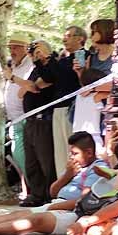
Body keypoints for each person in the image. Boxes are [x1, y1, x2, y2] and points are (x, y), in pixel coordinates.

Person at [0, 132, 109, 235]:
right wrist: (67, 175)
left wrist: (55, 206)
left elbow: (85, 200)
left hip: (75, 212)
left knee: (35, 220)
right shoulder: (75, 167)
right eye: (71, 153)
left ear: (89, 153)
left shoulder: (97, 169)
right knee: (17, 214)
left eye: (75, 154)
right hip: (57, 204)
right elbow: (52, 192)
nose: (71, 157)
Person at [5, 40, 57, 207]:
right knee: (31, 161)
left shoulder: (49, 70)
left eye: (39, 52)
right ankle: (37, 194)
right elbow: (25, 88)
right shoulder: (34, 70)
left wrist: (13, 78)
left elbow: (34, 87)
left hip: (42, 119)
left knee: (45, 161)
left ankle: (50, 195)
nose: (36, 56)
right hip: (29, 120)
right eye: (34, 53)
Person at [52, 27, 87, 176]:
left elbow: (76, 78)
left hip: (71, 108)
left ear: (80, 39)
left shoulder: (82, 55)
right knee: (60, 151)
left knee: (71, 149)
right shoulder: (63, 60)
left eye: (69, 36)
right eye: (64, 36)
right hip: (57, 107)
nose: (65, 39)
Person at [2, 35, 34, 190]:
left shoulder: (30, 65)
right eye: (10, 48)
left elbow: (31, 85)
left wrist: (12, 78)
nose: (12, 51)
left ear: (25, 48)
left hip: (26, 117)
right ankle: (27, 187)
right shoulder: (13, 66)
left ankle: (33, 188)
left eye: (15, 47)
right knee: (17, 155)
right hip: (13, 119)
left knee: (24, 155)